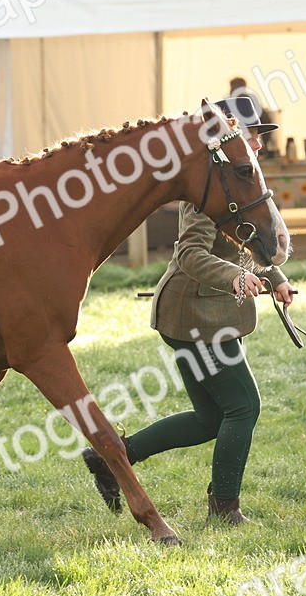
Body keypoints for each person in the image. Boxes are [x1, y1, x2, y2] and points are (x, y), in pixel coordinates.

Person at [82, 98, 295, 525]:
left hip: (199, 314)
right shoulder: (206, 187)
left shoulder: (238, 179)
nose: (258, 143)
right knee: (243, 408)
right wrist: (234, 279)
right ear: (228, 137)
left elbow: (245, 239)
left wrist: (273, 278)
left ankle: (110, 461)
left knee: (210, 418)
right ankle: (225, 508)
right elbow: (191, 253)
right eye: (254, 134)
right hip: (194, 314)